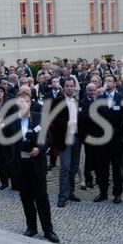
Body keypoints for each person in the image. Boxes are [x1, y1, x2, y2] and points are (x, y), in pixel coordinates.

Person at [3, 90, 59, 243]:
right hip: (20, 166)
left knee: (42, 198)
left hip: (37, 164)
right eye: (20, 101)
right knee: (26, 198)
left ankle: (48, 230)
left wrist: (39, 149)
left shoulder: (39, 117)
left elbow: (48, 138)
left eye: (26, 101)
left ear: (30, 102)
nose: (23, 104)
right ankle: (31, 227)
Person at [94, 75, 123, 204]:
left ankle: (117, 193)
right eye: (105, 81)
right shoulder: (100, 98)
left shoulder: (122, 98)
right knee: (102, 167)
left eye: (109, 81)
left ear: (115, 84)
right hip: (103, 139)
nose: (107, 83)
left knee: (116, 167)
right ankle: (103, 192)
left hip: (116, 139)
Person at [50, 77, 82, 208]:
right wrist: (66, 124)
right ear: (63, 87)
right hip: (64, 138)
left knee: (74, 166)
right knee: (65, 167)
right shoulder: (57, 101)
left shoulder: (76, 101)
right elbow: (54, 119)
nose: (69, 88)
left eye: (71, 86)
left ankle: (71, 192)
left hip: (77, 138)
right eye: (67, 86)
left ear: (74, 87)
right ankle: (62, 195)